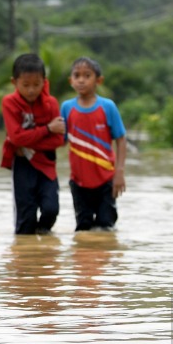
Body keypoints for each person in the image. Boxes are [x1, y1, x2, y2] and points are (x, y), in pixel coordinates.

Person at [1, 53, 66, 235]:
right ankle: (27, 258)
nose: (31, 90)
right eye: (26, 85)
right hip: (22, 165)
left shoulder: (51, 103)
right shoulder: (9, 103)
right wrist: (47, 129)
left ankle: (44, 240)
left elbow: (59, 139)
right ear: (14, 83)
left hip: (46, 163)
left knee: (51, 209)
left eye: (36, 85)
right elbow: (16, 138)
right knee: (25, 220)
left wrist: (28, 141)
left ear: (44, 82)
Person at [60, 57, 127, 231]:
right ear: (71, 81)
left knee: (106, 226)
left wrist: (119, 172)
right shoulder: (67, 108)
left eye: (87, 75)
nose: (81, 80)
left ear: (98, 80)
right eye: (77, 75)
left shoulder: (107, 107)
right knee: (83, 228)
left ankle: (105, 258)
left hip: (106, 180)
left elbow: (121, 139)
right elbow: (60, 140)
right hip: (79, 182)